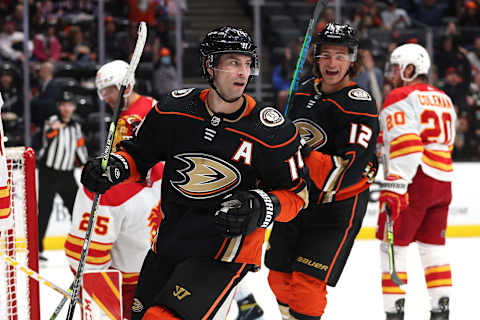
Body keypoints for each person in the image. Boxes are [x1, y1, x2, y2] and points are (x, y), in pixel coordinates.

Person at [80, 26, 309, 320]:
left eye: (246, 63)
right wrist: (114, 166)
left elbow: (298, 195)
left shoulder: (271, 131)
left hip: (225, 252)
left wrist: (261, 206)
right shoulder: (174, 110)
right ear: (209, 65)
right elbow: (138, 154)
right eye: (232, 62)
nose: (242, 72)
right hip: (170, 241)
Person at [265, 23, 379, 320]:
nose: (332, 63)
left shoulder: (360, 106)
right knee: (277, 278)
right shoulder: (303, 91)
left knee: (306, 286)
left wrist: (298, 152)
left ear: (352, 60)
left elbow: (346, 172)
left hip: (337, 207)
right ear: (315, 57)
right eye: (326, 54)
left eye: (341, 56)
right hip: (299, 199)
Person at [64, 59, 164, 320]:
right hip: (139, 199)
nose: (105, 96)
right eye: (103, 91)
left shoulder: (148, 111)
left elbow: (152, 160)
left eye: (110, 89)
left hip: (150, 194)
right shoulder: (127, 113)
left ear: (127, 86)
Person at [376, 43, 456, 320]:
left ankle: (394, 310)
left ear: (410, 69)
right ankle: (440, 307)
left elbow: (407, 144)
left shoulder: (400, 95)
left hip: (414, 181)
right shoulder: (444, 97)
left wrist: (395, 183)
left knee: (392, 246)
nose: (393, 74)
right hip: (443, 181)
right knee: (433, 247)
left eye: (397, 68)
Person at [37, 91, 88, 261]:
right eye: (64, 105)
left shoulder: (76, 127)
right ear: (59, 107)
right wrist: (54, 130)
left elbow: (80, 148)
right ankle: (37, 249)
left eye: (70, 105)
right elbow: (45, 140)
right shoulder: (52, 121)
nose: (67, 108)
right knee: (44, 210)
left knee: (76, 209)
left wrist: (85, 165)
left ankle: (82, 245)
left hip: (67, 174)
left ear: (73, 107)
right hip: (48, 172)